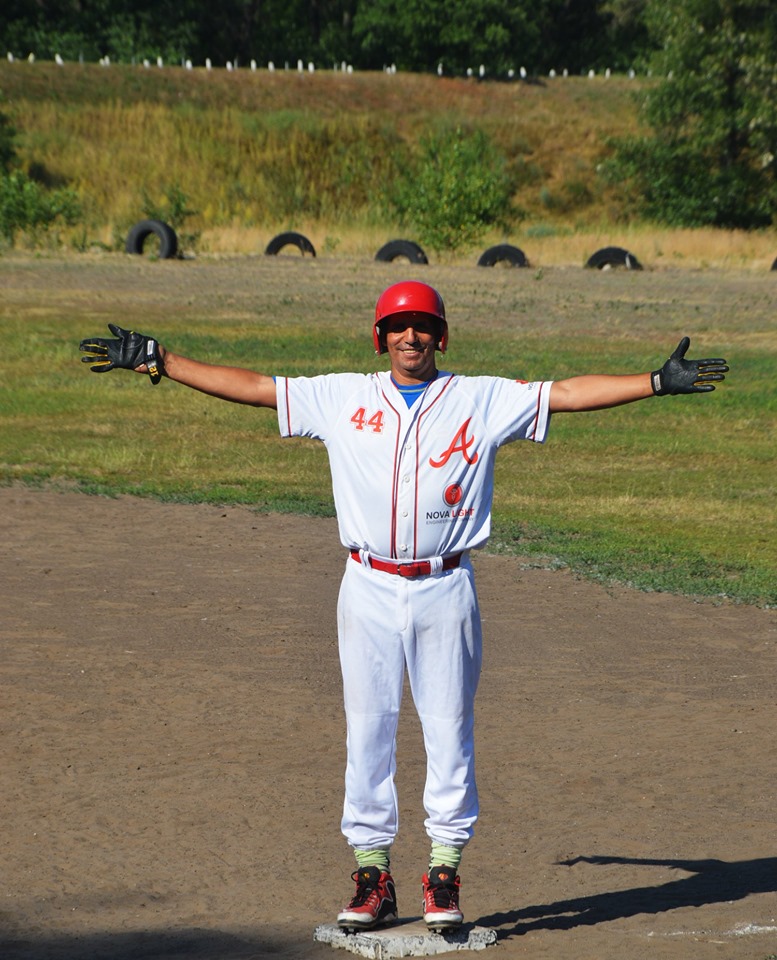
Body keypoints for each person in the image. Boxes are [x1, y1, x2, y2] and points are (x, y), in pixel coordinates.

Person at [79, 280, 728, 933]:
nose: (409, 337)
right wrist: (162, 360)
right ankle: (372, 876)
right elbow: (254, 387)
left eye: (421, 326)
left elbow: (561, 394)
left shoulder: (479, 398)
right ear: (380, 336)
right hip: (365, 587)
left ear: (439, 335)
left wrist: (651, 381)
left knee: (448, 730)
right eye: (397, 327)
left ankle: (442, 874)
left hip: (445, 588)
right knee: (368, 730)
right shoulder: (342, 396)